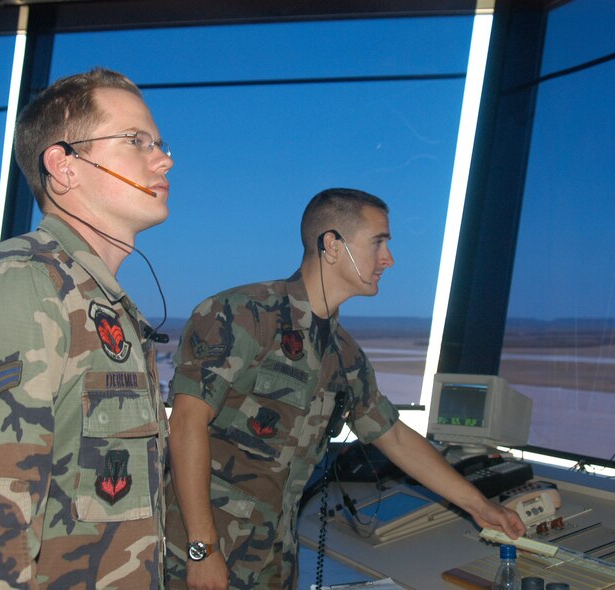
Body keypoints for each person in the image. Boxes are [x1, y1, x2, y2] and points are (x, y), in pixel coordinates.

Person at [164, 188, 525, 589]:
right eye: (378, 242)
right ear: (333, 245)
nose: (388, 258)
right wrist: (203, 548)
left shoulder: (345, 355)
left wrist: (480, 506)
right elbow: (186, 424)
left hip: (274, 557)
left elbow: (395, 437)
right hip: (200, 550)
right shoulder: (241, 315)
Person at [0, 68, 174, 589]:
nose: (163, 159)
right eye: (136, 141)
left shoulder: (96, 302)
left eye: (159, 144)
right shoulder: (18, 287)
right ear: (64, 165)